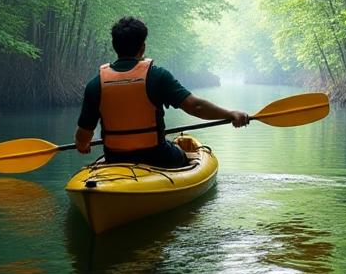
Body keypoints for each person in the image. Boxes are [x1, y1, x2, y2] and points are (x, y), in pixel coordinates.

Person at [75, 16, 249, 167]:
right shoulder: (157, 77)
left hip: (115, 158)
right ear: (142, 47)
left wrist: (82, 145)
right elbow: (195, 107)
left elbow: (83, 136)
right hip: (158, 157)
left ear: (114, 46)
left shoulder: (96, 84)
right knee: (183, 155)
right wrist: (230, 114)